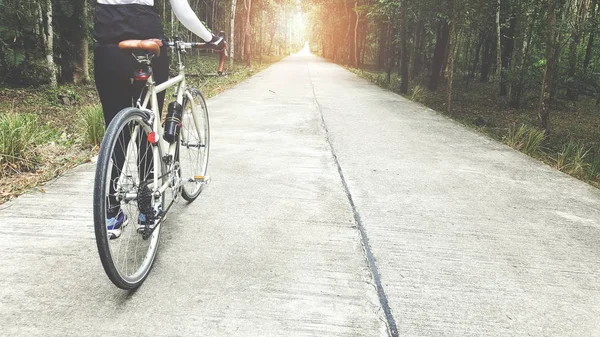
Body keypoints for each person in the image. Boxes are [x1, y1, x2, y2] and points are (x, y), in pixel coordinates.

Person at [94, 0, 224, 239]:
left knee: (116, 131)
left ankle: (111, 213)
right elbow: (181, 9)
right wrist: (210, 38)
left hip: (107, 47)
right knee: (148, 125)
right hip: (147, 40)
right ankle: (146, 208)